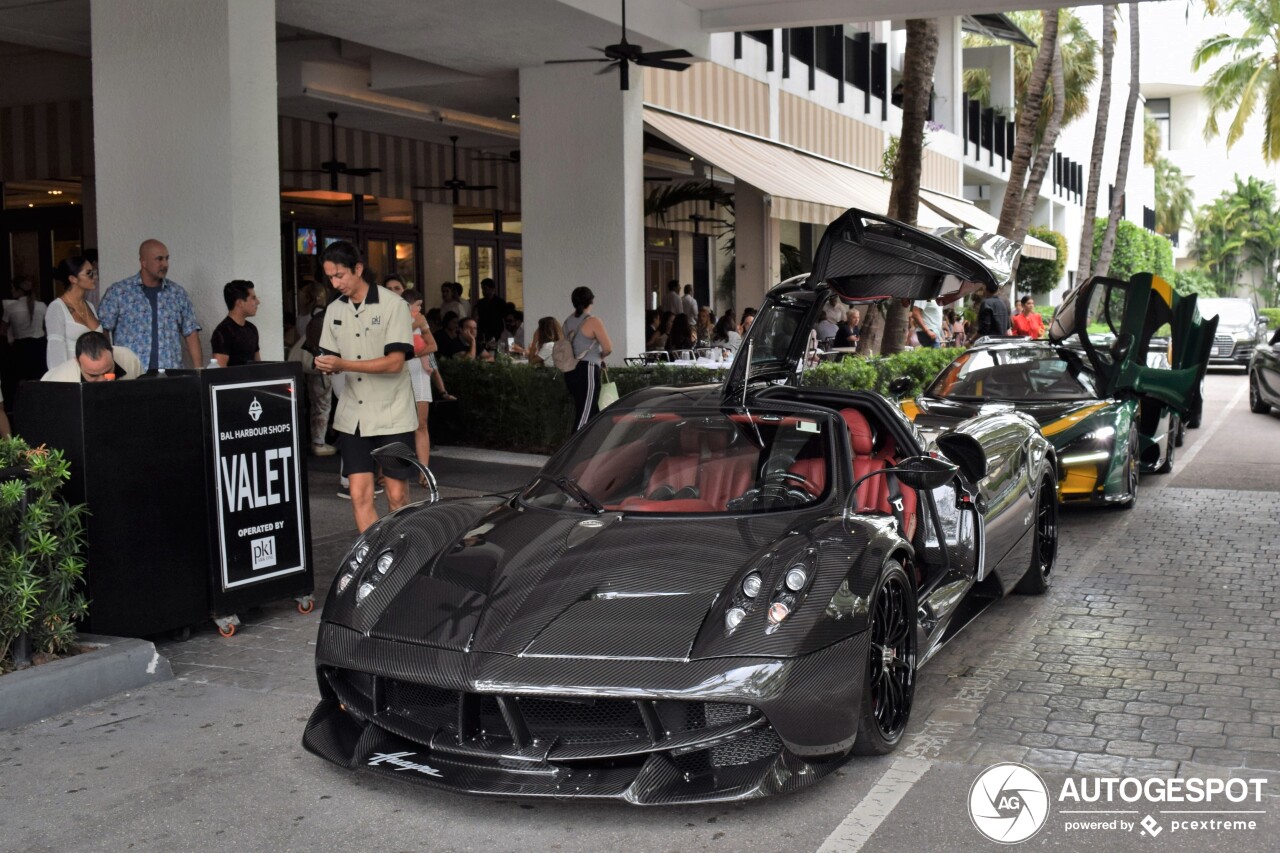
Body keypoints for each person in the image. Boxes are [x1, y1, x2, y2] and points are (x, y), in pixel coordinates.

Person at [314, 240, 417, 533]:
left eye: (340, 275)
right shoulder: (334, 310)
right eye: (330, 277)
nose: (335, 283)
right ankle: (373, 559)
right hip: (353, 416)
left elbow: (395, 362)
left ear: (358, 269)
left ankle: (403, 555)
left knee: (397, 497)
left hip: (392, 414)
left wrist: (342, 364)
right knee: (359, 494)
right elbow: (328, 356)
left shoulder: (393, 305)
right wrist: (324, 363)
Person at [98, 239, 202, 371]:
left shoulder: (177, 293)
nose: (165, 264)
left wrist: (199, 370)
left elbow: (191, 332)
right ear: (143, 262)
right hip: (131, 374)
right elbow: (103, 329)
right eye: (159, 259)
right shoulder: (119, 292)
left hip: (170, 374)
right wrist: (108, 367)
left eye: (166, 258)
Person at [563, 286, 613, 433]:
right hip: (588, 370)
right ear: (591, 301)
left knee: (589, 411)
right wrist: (600, 356)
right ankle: (572, 452)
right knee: (585, 414)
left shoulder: (566, 322)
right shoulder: (593, 321)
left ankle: (592, 449)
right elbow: (608, 347)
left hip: (570, 371)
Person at [404, 292, 438, 479]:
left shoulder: (420, 320)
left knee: (421, 423)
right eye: (417, 305)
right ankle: (385, 471)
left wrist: (422, 358)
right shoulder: (396, 319)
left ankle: (424, 471)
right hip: (397, 371)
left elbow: (432, 345)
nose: (420, 309)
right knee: (394, 425)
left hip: (418, 372)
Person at [46, 256, 101, 369]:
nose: (94, 277)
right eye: (89, 273)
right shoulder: (57, 307)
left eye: (94, 272)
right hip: (71, 375)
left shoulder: (89, 305)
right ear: (73, 279)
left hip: (94, 374)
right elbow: (55, 351)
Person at [41, 330, 143, 382]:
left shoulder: (129, 359)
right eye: (93, 375)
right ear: (77, 362)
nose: (102, 380)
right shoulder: (57, 380)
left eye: (107, 371)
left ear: (112, 353)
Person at [4, 276, 47, 381]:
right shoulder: (42, 306)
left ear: (19, 290)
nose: (11, 290)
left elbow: (2, 330)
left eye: (12, 288)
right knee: (39, 379)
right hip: (40, 348)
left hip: (20, 349)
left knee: (22, 381)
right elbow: (48, 328)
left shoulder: (10, 308)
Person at [210, 280, 261, 367]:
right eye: (253, 298)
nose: (258, 302)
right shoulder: (223, 332)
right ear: (240, 303)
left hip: (252, 379)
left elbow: (258, 365)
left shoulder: (252, 329)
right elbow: (219, 373)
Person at [473, 278, 506, 343]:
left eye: (485, 288)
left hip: (496, 332)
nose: (483, 291)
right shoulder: (480, 302)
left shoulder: (500, 302)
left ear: (492, 289)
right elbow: (478, 317)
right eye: (482, 288)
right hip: (483, 332)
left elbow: (503, 319)